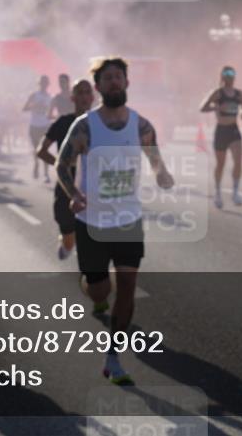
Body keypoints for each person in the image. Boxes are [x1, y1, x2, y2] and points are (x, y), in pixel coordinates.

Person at [56, 57, 174, 386]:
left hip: (128, 219)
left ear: (127, 82)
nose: (114, 83)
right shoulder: (84, 126)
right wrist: (74, 193)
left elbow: (155, 159)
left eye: (118, 77)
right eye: (107, 78)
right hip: (92, 222)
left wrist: (163, 175)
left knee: (126, 288)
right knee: (99, 290)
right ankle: (92, 289)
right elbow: (62, 166)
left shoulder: (141, 125)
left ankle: (114, 357)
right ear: (98, 87)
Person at [37, 78, 95, 260]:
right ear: (73, 98)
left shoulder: (102, 123)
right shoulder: (63, 122)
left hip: (94, 188)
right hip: (67, 187)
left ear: (93, 97)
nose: (84, 96)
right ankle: (67, 242)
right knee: (69, 233)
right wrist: (62, 163)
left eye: (88, 92)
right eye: (80, 92)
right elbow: (41, 150)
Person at [200, 66, 242, 208]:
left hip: (234, 129)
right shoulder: (218, 93)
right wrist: (216, 108)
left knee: (238, 161)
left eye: (232, 74)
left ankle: (235, 191)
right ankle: (218, 192)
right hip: (221, 130)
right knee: (221, 164)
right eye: (226, 74)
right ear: (222, 77)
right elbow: (203, 107)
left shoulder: (239, 94)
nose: (229, 77)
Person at [23, 75, 52, 182]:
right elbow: (24, 108)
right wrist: (34, 105)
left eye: (45, 83)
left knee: (45, 150)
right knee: (36, 149)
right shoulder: (34, 95)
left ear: (48, 85)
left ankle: (46, 174)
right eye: (41, 83)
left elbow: (51, 113)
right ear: (39, 84)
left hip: (45, 125)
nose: (43, 85)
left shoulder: (50, 97)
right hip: (34, 125)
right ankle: (36, 163)